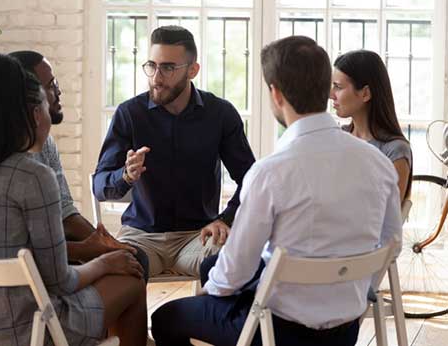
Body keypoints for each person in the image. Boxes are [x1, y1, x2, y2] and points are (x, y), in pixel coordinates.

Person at [151, 36, 403, 346]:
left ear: (276, 93)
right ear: (326, 88)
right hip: (347, 329)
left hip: (276, 331)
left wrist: (213, 291)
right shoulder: (378, 164)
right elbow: (392, 242)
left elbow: (233, 275)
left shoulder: (270, 172)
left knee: (165, 318)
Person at [0, 53, 147, 346]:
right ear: (35, 114)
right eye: (46, 104)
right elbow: (59, 281)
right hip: (25, 331)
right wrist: (104, 263)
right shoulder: (33, 176)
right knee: (132, 281)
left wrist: (94, 252)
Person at [93, 25, 255, 278]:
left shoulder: (220, 114)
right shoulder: (130, 114)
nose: (156, 77)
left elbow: (251, 180)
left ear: (193, 70)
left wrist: (226, 219)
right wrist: (125, 176)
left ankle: (208, 318)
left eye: (168, 68)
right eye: (152, 66)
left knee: (234, 262)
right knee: (121, 269)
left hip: (198, 236)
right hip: (142, 237)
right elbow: (99, 185)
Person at [331, 49, 412, 201]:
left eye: (338, 87)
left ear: (365, 93)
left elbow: (390, 217)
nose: (331, 94)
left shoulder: (395, 151)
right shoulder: (338, 138)